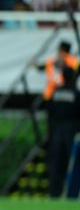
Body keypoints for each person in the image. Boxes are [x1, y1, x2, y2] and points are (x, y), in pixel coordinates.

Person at [46, 66, 80, 198]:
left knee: (56, 163)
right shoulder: (76, 93)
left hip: (56, 131)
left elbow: (50, 111)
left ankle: (54, 193)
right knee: (72, 163)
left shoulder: (56, 92)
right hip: (71, 131)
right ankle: (71, 193)